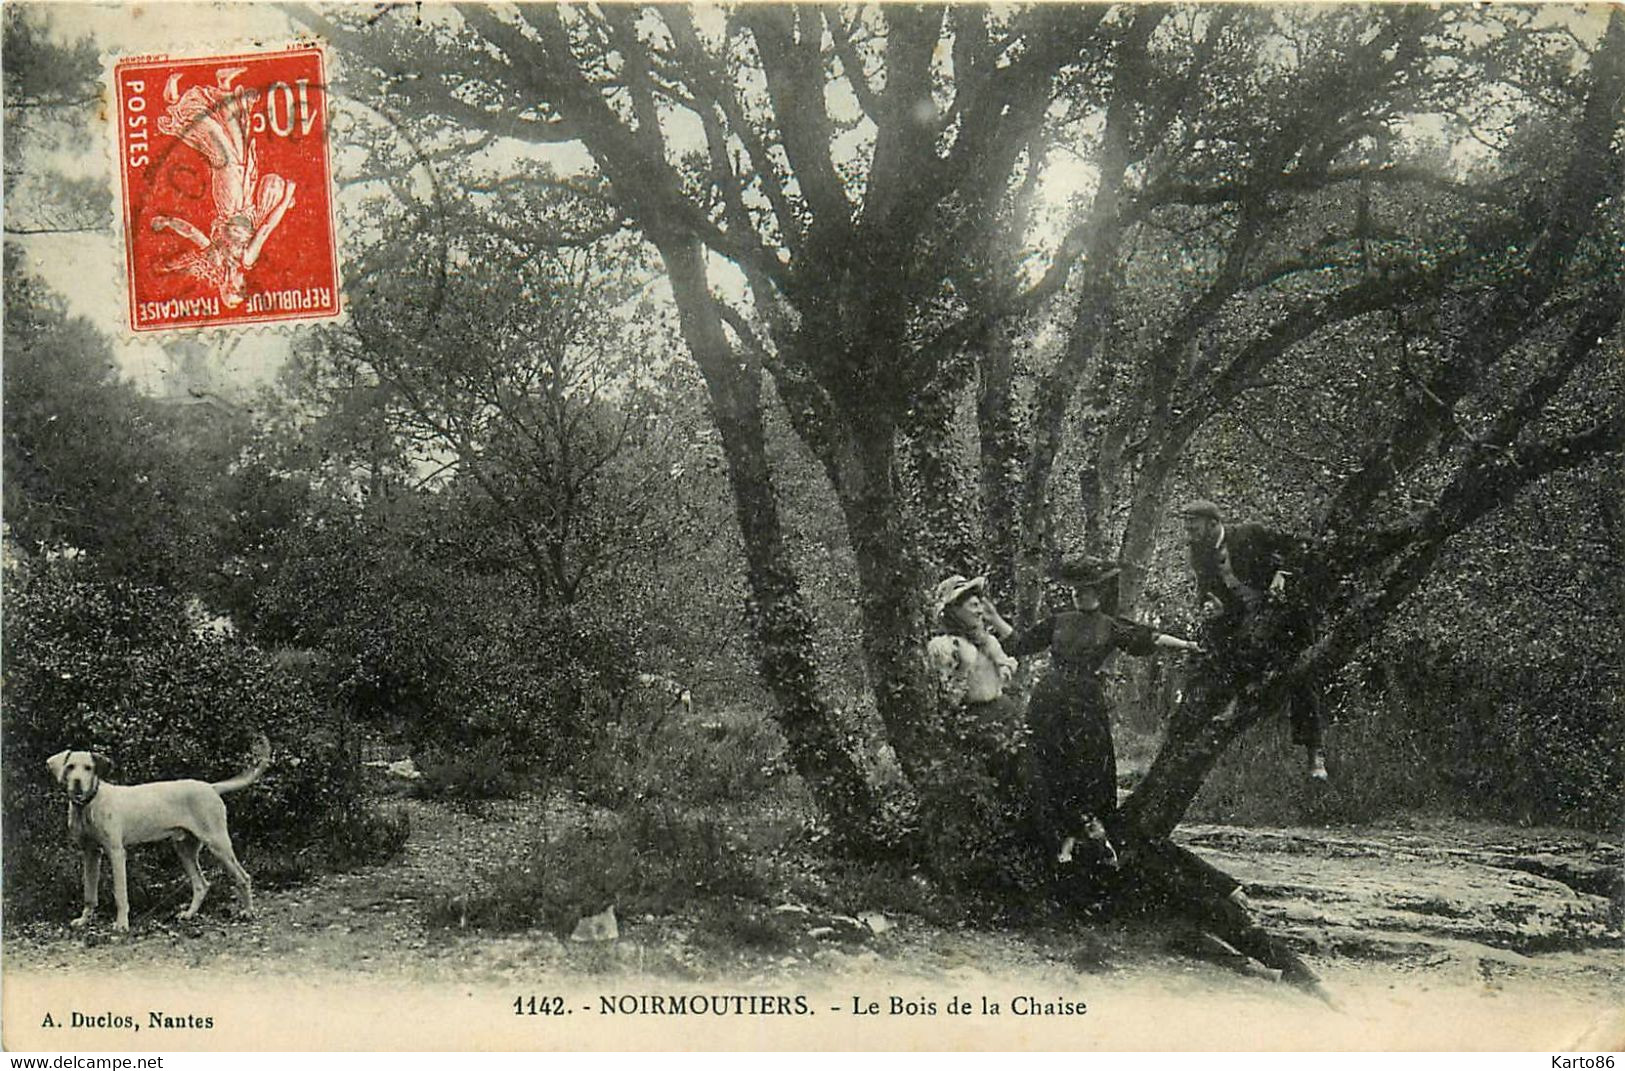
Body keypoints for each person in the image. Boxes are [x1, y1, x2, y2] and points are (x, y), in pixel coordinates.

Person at [1004, 555, 1202, 866]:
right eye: (1077, 591)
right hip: (1049, 699)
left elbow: (1146, 638)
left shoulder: (1109, 626)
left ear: (1098, 593)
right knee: (1044, 761)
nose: (1080, 595)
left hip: (1084, 701)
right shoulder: (1058, 621)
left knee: (1086, 766)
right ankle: (1049, 834)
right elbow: (1020, 643)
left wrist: (1187, 645)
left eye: (1087, 590)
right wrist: (989, 616)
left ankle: (1079, 835)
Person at [1180, 498, 1328, 781]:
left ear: (1214, 524)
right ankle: (1219, 721)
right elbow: (1207, 590)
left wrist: (1283, 574)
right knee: (1216, 656)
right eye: (1186, 527)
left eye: (1194, 527)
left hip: (1284, 616)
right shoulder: (1198, 553)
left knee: (1301, 676)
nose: (1189, 534)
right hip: (1245, 619)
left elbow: (1300, 546)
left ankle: (1315, 750)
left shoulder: (1250, 533)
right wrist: (1211, 607)